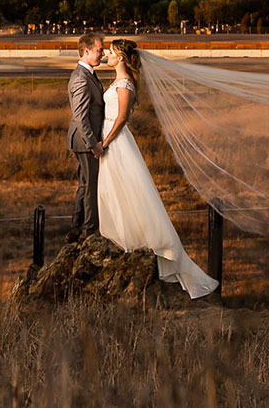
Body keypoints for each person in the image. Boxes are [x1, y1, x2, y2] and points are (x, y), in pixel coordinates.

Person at [95, 39, 218, 299]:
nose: (107, 54)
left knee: (129, 190)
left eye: (112, 52)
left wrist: (105, 142)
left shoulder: (125, 83)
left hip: (116, 142)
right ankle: (121, 239)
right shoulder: (118, 82)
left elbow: (122, 117)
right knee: (113, 190)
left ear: (121, 58)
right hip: (109, 138)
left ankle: (152, 247)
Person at [64, 31, 106, 242]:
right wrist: (93, 144)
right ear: (87, 51)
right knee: (91, 186)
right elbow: (81, 117)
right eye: (99, 50)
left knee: (84, 184)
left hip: (83, 140)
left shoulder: (88, 73)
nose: (103, 53)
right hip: (84, 141)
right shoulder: (81, 78)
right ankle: (89, 231)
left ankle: (75, 228)